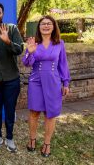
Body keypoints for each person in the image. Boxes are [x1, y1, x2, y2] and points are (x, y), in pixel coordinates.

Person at [22, 15, 70, 157]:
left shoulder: (59, 43)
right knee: (34, 112)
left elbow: (63, 64)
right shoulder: (34, 42)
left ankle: (47, 143)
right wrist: (30, 53)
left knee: (50, 114)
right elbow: (26, 63)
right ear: (39, 27)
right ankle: (32, 139)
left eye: (49, 23)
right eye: (43, 24)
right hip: (35, 81)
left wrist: (65, 82)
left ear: (54, 26)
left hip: (53, 82)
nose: (46, 26)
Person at [0, 2, 23, 152]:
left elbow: (20, 49)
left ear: (2, 14)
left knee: (9, 109)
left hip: (11, 79)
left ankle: (9, 137)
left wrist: (8, 41)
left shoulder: (12, 29)